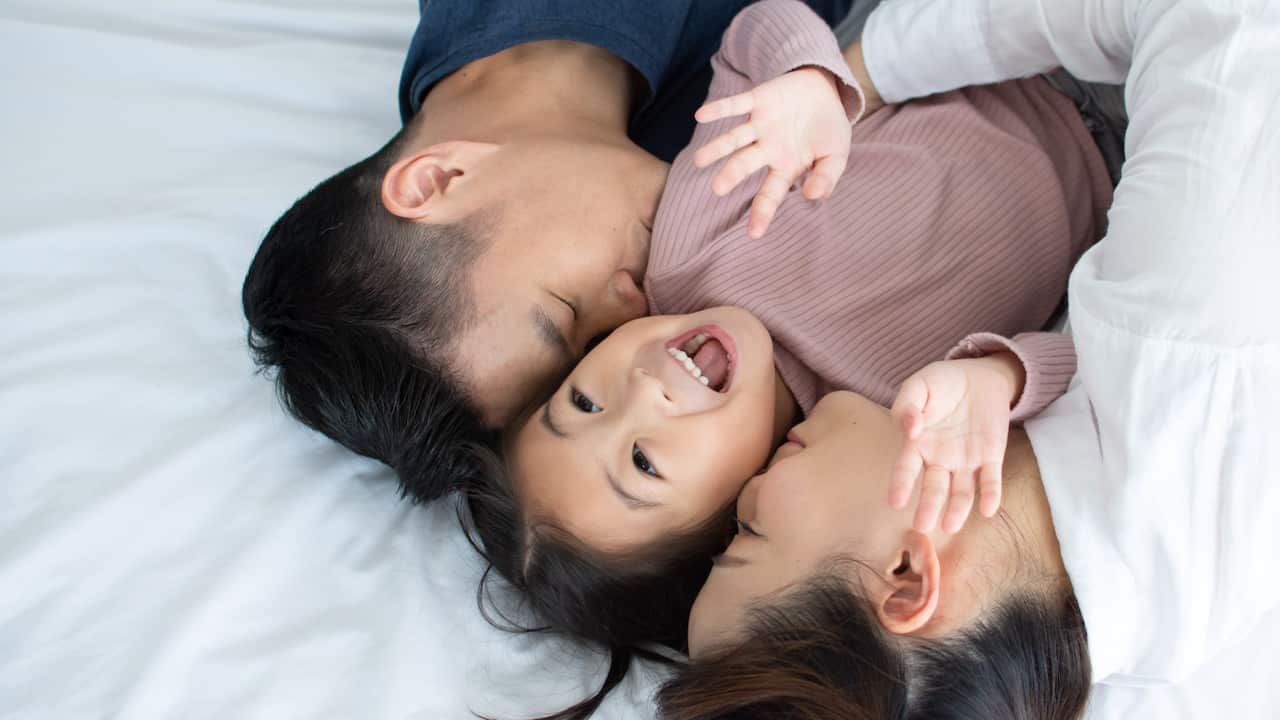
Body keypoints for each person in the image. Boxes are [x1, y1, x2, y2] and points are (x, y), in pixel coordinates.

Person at [464, 0, 1116, 714]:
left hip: (964, 30)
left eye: (583, 401)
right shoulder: (886, 424)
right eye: (645, 463)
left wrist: (810, 82)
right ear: (739, 501)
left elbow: (757, 34)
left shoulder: (690, 251)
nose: (641, 389)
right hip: (1117, 135)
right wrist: (1005, 378)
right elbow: (1081, 363)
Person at [661, 0, 1280, 715]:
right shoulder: (1185, 340)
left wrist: (1010, 373)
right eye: (750, 533)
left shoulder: (1159, 645)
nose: (741, 495)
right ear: (905, 578)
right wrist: (867, 73)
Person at [239, 0, 852, 501]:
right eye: (591, 356)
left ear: (440, 180)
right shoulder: (653, 173)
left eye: (564, 311)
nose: (634, 309)